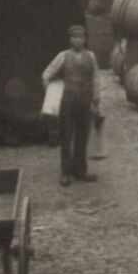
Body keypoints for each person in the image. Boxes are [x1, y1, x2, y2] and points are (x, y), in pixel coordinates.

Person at [42, 24, 100, 186]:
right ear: (70, 40)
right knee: (66, 137)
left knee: (82, 137)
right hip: (67, 103)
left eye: (81, 37)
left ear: (85, 39)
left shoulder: (91, 56)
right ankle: (66, 172)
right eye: (75, 38)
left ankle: (80, 171)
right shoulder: (63, 56)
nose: (78, 40)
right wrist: (51, 96)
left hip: (85, 102)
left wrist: (96, 101)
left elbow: (96, 79)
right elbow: (46, 74)